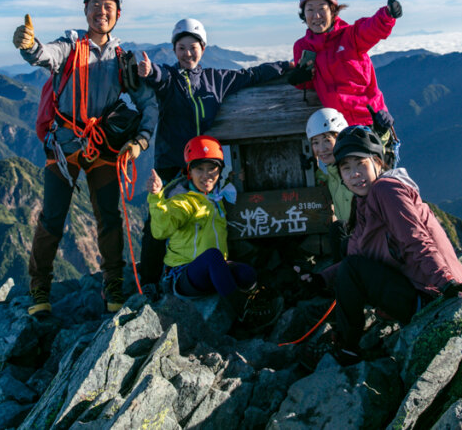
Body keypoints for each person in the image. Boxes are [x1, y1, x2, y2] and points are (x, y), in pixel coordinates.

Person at [12, 0, 158, 315]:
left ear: (117, 15)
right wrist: (29, 45)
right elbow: (43, 55)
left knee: (109, 216)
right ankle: (40, 290)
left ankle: (113, 285)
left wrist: (141, 140)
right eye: (95, 4)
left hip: (100, 147)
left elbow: (148, 103)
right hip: (64, 147)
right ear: (86, 9)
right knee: (53, 217)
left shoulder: (123, 59)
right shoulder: (70, 45)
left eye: (108, 6)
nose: (101, 11)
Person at [135, 17, 292, 285]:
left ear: (203, 49)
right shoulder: (169, 78)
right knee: (159, 219)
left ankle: (203, 269)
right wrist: (150, 72)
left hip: (204, 164)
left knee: (206, 216)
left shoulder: (215, 80)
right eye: (181, 48)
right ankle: (150, 281)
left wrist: (286, 67)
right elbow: (158, 77)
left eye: (193, 47)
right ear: (174, 51)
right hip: (172, 163)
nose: (187, 53)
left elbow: (250, 75)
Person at [303, 127, 462, 365]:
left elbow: (416, 239)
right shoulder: (363, 202)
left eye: (360, 164)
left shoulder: (387, 190)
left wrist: (447, 283)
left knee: (352, 268)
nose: (354, 174)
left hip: (430, 296)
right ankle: (346, 334)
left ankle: (347, 348)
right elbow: (358, 254)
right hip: (419, 289)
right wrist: (320, 279)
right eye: (346, 168)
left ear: (377, 162)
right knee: (344, 243)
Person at [145, 135, 282, 331]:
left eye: (212, 169)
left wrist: (233, 179)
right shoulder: (183, 200)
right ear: (189, 172)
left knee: (247, 274)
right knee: (212, 257)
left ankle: (248, 301)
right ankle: (245, 314)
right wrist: (156, 198)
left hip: (212, 271)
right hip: (183, 275)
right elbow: (160, 230)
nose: (206, 175)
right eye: (199, 169)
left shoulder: (215, 198)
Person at [291, 0, 402, 151]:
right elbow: (310, 83)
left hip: (372, 122)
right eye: (310, 10)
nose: (316, 15)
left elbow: (371, 29)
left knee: (376, 173)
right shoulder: (302, 47)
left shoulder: (350, 36)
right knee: (349, 176)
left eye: (322, 8)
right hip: (339, 128)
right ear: (303, 14)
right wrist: (299, 79)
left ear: (333, 10)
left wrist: (387, 14)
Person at [305, 108, 354, 261]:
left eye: (327, 140)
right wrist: (314, 171)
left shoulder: (355, 173)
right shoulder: (334, 172)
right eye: (316, 142)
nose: (321, 149)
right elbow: (330, 181)